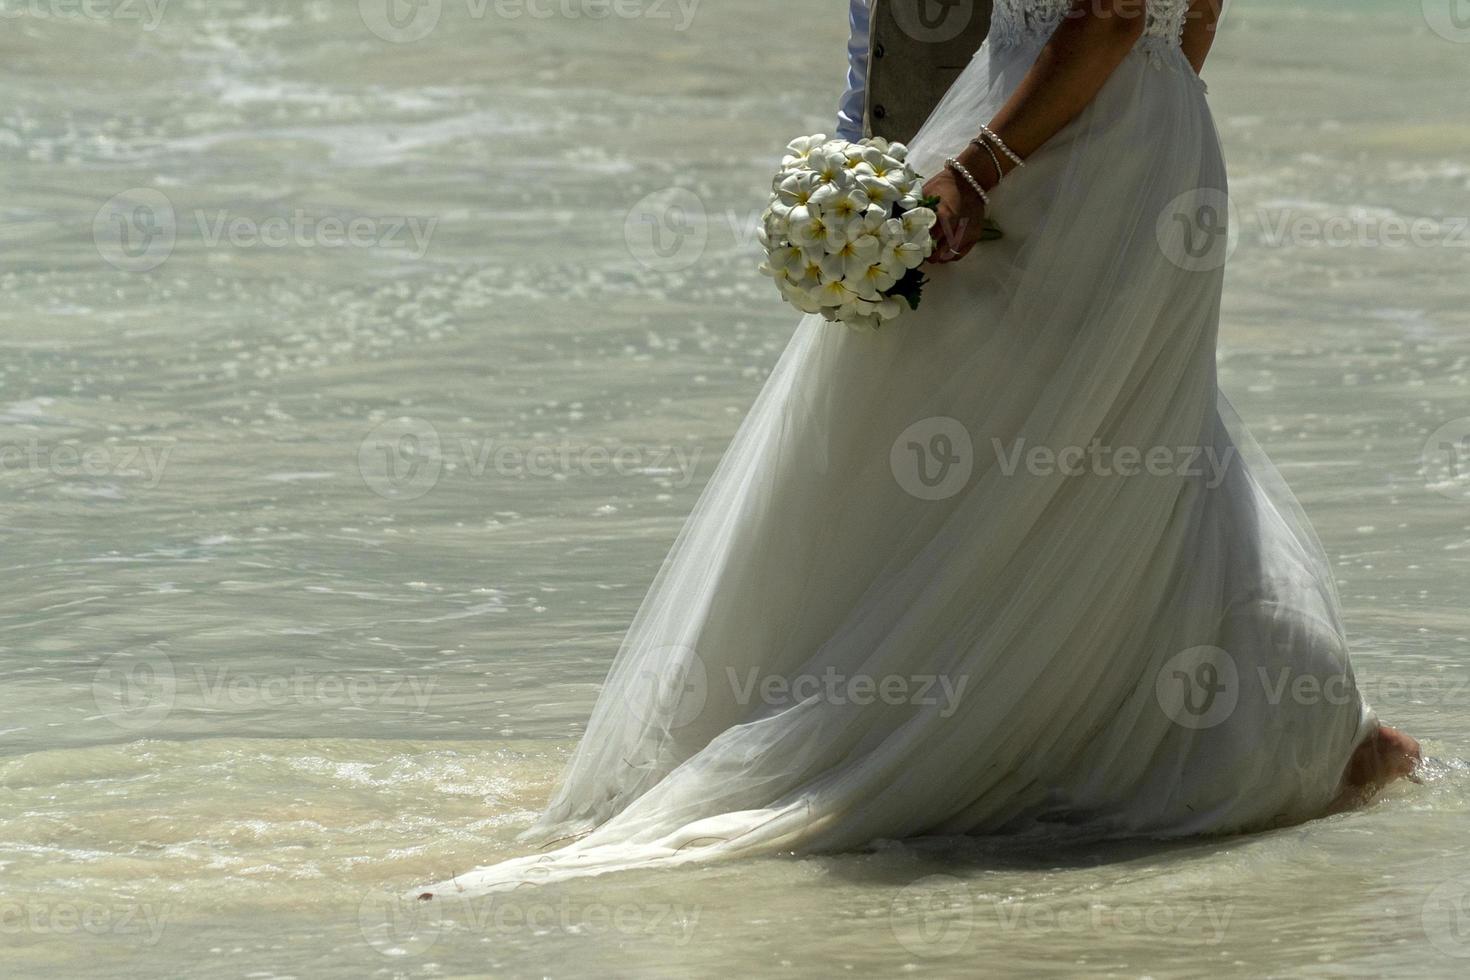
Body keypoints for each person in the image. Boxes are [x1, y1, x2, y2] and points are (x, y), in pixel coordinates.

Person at [419, 0, 1418, 899]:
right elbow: (1185, 19)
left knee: (1004, 432)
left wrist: (982, 163)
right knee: (1117, 448)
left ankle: (1033, 727)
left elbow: (1109, 15)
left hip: (1063, 133)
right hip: (1119, 129)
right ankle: (1271, 728)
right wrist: (1150, 111)